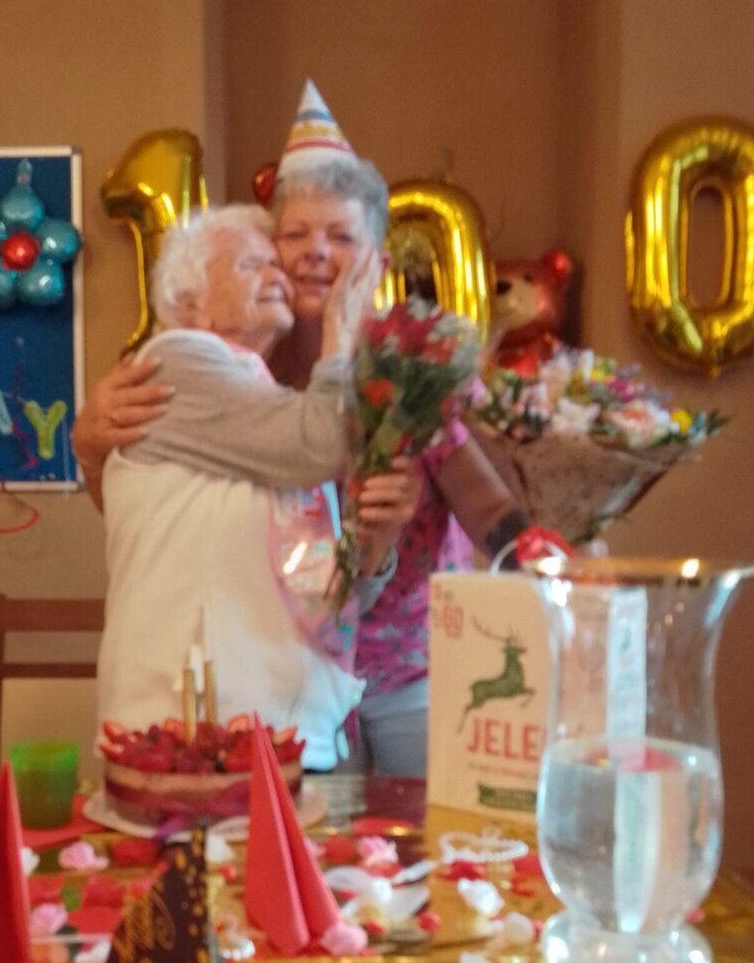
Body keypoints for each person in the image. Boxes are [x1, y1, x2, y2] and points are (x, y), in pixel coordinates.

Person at [76, 86, 531, 778]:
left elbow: (485, 502)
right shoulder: (235, 365)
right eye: (292, 238)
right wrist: (88, 447)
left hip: (404, 667)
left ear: (377, 259)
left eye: (342, 237)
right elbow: (151, 514)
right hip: (292, 677)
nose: (316, 253)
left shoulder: (407, 359)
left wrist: (556, 570)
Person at [91, 203, 415, 773]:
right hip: (191, 745)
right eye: (250, 265)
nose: (276, 278)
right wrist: (342, 332)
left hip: (289, 736)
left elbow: (324, 599)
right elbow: (321, 447)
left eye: (275, 265)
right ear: (188, 302)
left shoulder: (263, 401)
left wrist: (379, 543)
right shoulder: (177, 364)